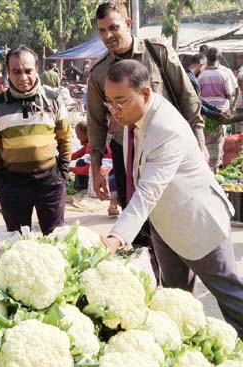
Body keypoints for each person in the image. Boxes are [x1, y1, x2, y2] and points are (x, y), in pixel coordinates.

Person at [102, 59, 243, 338]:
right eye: (109, 102)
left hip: (199, 223)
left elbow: (147, 192)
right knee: (175, 303)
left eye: (120, 102)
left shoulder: (166, 128)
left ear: (144, 94)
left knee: (230, 296)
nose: (114, 111)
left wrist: (117, 237)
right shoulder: (135, 116)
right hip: (165, 227)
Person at [88, 1, 207, 210]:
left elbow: (187, 97)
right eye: (102, 31)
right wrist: (96, 169)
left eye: (113, 27)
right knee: (135, 216)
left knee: (174, 211)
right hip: (125, 153)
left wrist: (200, 143)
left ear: (128, 23)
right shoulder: (98, 72)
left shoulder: (157, 53)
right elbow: (96, 122)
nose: (108, 36)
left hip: (165, 148)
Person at [0, 46, 71, 235]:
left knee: (55, 239)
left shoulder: (53, 98)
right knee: (17, 241)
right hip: (12, 185)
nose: (23, 77)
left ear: (36, 69)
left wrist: (62, 172)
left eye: (28, 71)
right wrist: (0, 180)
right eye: (16, 72)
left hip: (50, 182)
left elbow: (65, 137)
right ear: (8, 73)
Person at [199, 47, 234, 172]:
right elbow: (230, 95)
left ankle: (206, 170)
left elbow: (197, 97)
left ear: (206, 58)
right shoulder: (224, 74)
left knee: (204, 144)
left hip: (204, 114)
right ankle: (214, 170)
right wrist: (229, 110)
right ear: (219, 58)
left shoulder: (200, 74)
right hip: (220, 114)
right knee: (217, 144)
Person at [185, 54, 224, 120]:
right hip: (190, 117)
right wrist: (216, 116)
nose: (203, 71)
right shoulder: (192, 80)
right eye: (204, 68)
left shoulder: (185, 75)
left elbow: (198, 98)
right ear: (201, 65)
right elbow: (197, 104)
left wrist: (214, 108)